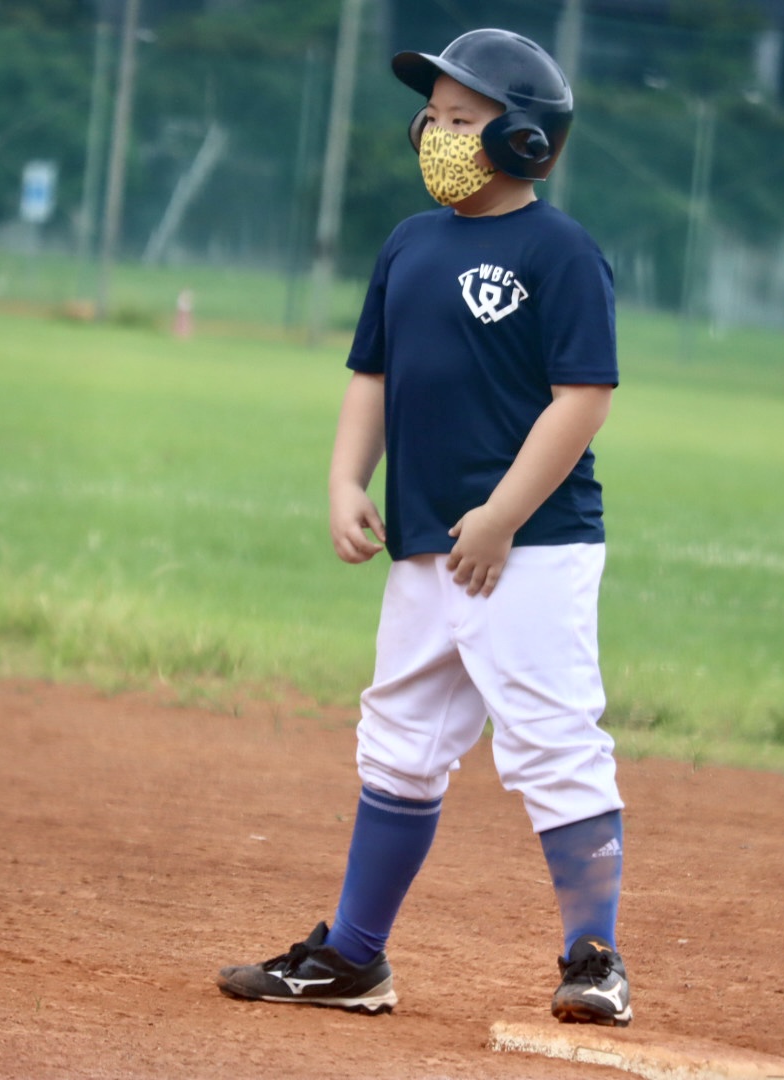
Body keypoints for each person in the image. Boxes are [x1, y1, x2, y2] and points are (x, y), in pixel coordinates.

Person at [216, 28, 630, 1028]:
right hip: (424, 546)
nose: (437, 133)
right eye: (432, 117)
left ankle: (595, 960)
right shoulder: (409, 242)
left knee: (552, 739)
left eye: (462, 118)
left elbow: (583, 399)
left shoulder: (561, 253)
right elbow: (373, 374)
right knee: (399, 742)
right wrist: (344, 479)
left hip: (531, 547)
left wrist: (501, 517)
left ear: (525, 140)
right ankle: (354, 958)